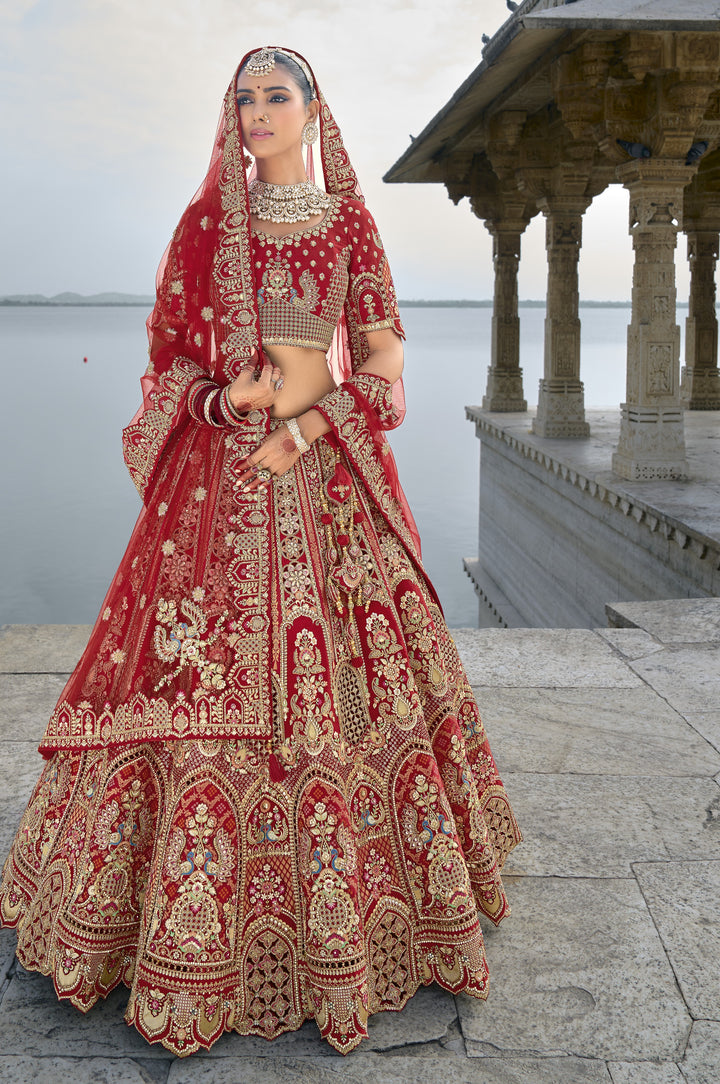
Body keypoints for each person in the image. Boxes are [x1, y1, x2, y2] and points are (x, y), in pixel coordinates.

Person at [0, 47, 521, 1056]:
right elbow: (171, 357)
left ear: (316, 110)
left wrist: (303, 426)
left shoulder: (348, 221)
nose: (255, 113)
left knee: (348, 689)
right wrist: (215, 402)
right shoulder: (206, 227)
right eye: (242, 98)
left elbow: (384, 363)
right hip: (216, 480)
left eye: (276, 96)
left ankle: (353, 922)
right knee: (177, 669)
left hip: (322, 472)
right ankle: (153, 921)